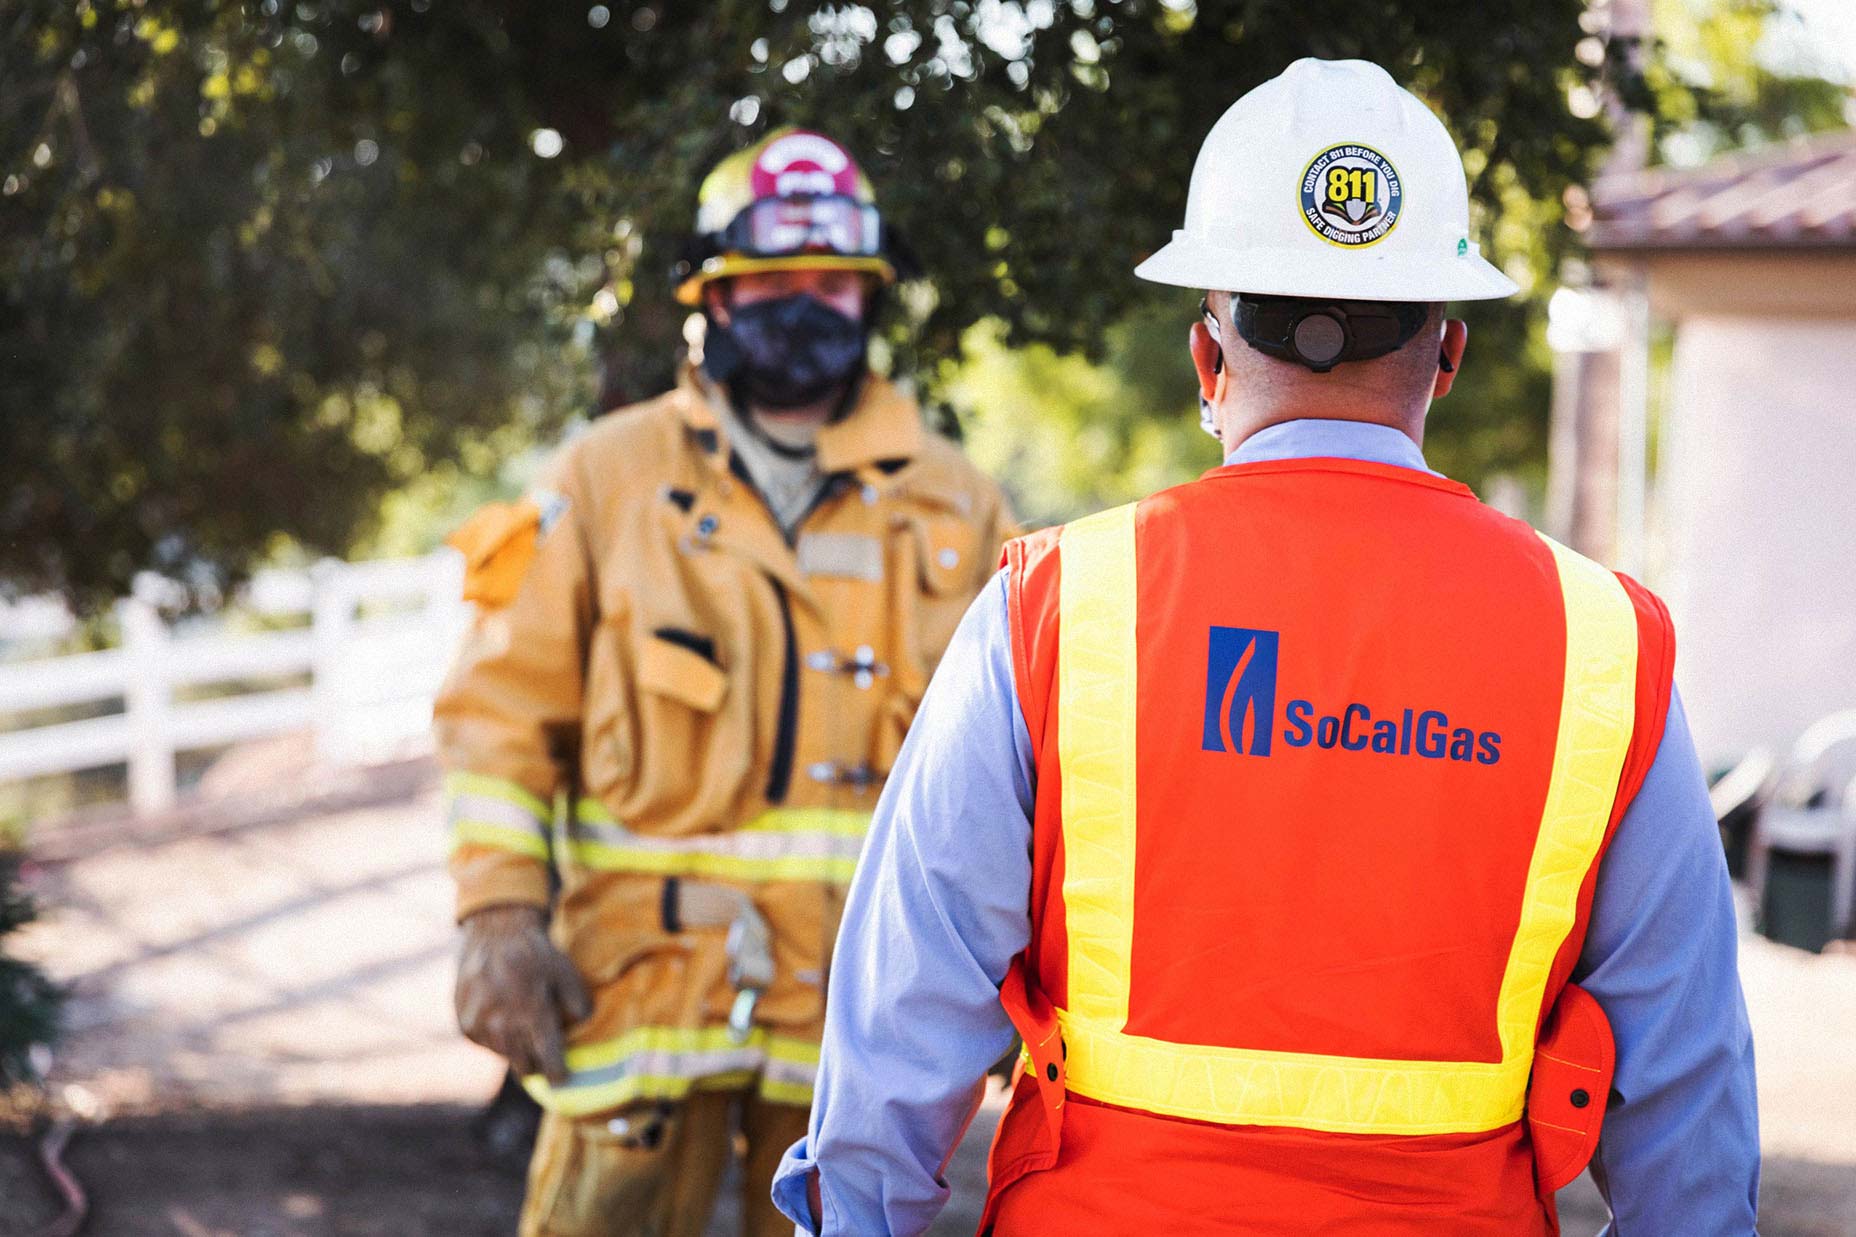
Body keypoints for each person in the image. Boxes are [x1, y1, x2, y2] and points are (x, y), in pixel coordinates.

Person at [772, 59, 1759, 1235]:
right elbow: (1687, 1102)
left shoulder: (1059, 605)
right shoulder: (1602, 645)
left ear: (1206, 358)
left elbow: (900, 1015)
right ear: (1446, 352)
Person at [433, 126, 1016, 1237]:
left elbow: (1024, 771)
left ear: (871, 301)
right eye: (773, 282)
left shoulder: (961, 507)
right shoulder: (603, 480)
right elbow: (498, 714)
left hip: (865, 1032)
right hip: (637, 1001)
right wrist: (496, 913)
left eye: (833, 286)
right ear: (711, 296)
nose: (805, 307)